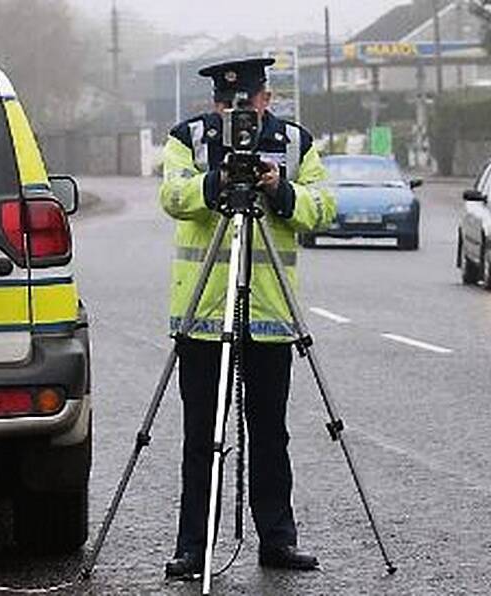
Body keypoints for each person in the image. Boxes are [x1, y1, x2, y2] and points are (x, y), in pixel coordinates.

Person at [158, 57, 336, 580]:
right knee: (201, 436)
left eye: (246, 103)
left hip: (269, 315)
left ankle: (278, 540)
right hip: (205, 315)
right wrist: (213, 183)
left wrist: (280, 190)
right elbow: (171, 196)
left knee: (270, 432)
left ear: (266, 99)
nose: (236, 113)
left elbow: (323, 207)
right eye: (225, 104)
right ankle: (194, 547)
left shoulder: (297, 143)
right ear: (215, 102)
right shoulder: (186, 139)